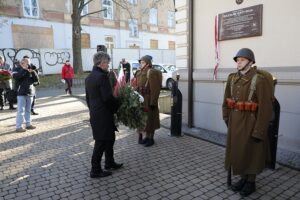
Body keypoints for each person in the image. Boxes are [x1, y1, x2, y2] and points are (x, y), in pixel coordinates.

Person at [222, 48, 273, 197]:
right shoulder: (232, 78)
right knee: (239, 151)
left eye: (242, 60)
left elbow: (265, 107)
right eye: (237, 60)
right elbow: (226, 101)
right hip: (235, 121)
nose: (239, 62)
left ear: (250, 62)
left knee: (252, 152)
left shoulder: (259, 79)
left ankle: (251, 181)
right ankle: (243, 178)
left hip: (251, 122)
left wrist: (259, 130)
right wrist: (226, 118)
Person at [85, 51, 123, 178]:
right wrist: (117, 106)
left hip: (96, 113)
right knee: (101, 142)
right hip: (103, 114)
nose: (108, 65)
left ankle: (109, 162)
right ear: (101, 63)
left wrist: (94, 111)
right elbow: (107, 98)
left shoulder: (89, 77)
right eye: (107, 63)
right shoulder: (102, 77)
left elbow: (88, 99)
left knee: (110, 138)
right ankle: (95, 170)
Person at [135, 55, 162, 147]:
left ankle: (151, 138)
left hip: (149, 99)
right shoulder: (139, 72)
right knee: (145, 119)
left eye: (142, 62)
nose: (141, 64)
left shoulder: (152, 72)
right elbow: (138, 85)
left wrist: (153, 102)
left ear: (148, 63)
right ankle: (147, 137)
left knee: (151, 119)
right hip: (141, 99)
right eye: (140, 62)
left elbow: (155, 89)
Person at [13, 58, 39, 132]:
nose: (28, 65)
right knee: (20, 111)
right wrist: (24, 69)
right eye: (26, 63)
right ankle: (18, 127)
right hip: (21, 93)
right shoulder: (17, 69)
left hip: (30, 92)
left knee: (28, 110)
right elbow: (16, 77)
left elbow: (36, 80)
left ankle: (28, 124)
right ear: (22, 63)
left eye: (29, 63)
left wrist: (33, 72)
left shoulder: (31, 69)